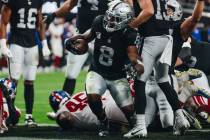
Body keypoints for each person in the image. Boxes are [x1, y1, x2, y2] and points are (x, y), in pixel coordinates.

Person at [125, 0, 207, 137]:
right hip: (161, 58)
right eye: (166, 9)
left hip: (158, 54)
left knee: (166, 121)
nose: (168, 12)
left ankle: (142, 126)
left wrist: (132, 25)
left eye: (171, 10)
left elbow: (186, 50)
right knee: (160, 83)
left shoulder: (180, 28)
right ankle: (181, 117)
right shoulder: (166, 27)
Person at [65, 1, 143, 136]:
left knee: (129, 110)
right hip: (97, 70)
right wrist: (73, 41)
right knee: (92, 96)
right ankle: (103, 121)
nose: (110, 20)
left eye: (115, 18)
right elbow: (86, 37)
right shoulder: (99, 21)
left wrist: (137, 65)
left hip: (117, 75)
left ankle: (136, 125)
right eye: (109, 16)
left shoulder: (129, 33)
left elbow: (133, 56)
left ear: (124, 20)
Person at [0, 0, 50, 126]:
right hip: (16, 42)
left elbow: (40, 23)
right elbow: (3, 22)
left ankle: (29, 116)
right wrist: (3, 45)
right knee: (13, 82)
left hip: (32, 43)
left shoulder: (37, 1)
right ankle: (10, 115)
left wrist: (44, 43)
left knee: (30, 80)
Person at [44, 0, 109, 96]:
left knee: (106, 74)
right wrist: (53, 15)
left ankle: (106, 107)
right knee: (71, 73)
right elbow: (70, 4)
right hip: (80, 36)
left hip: (102, 36)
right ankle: (65, 106)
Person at [49, 90, 129, 132]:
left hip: (109, 113)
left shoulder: (62, 110)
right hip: (119, 98)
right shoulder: (79, 94)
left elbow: (64, 117)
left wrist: (68, 127)